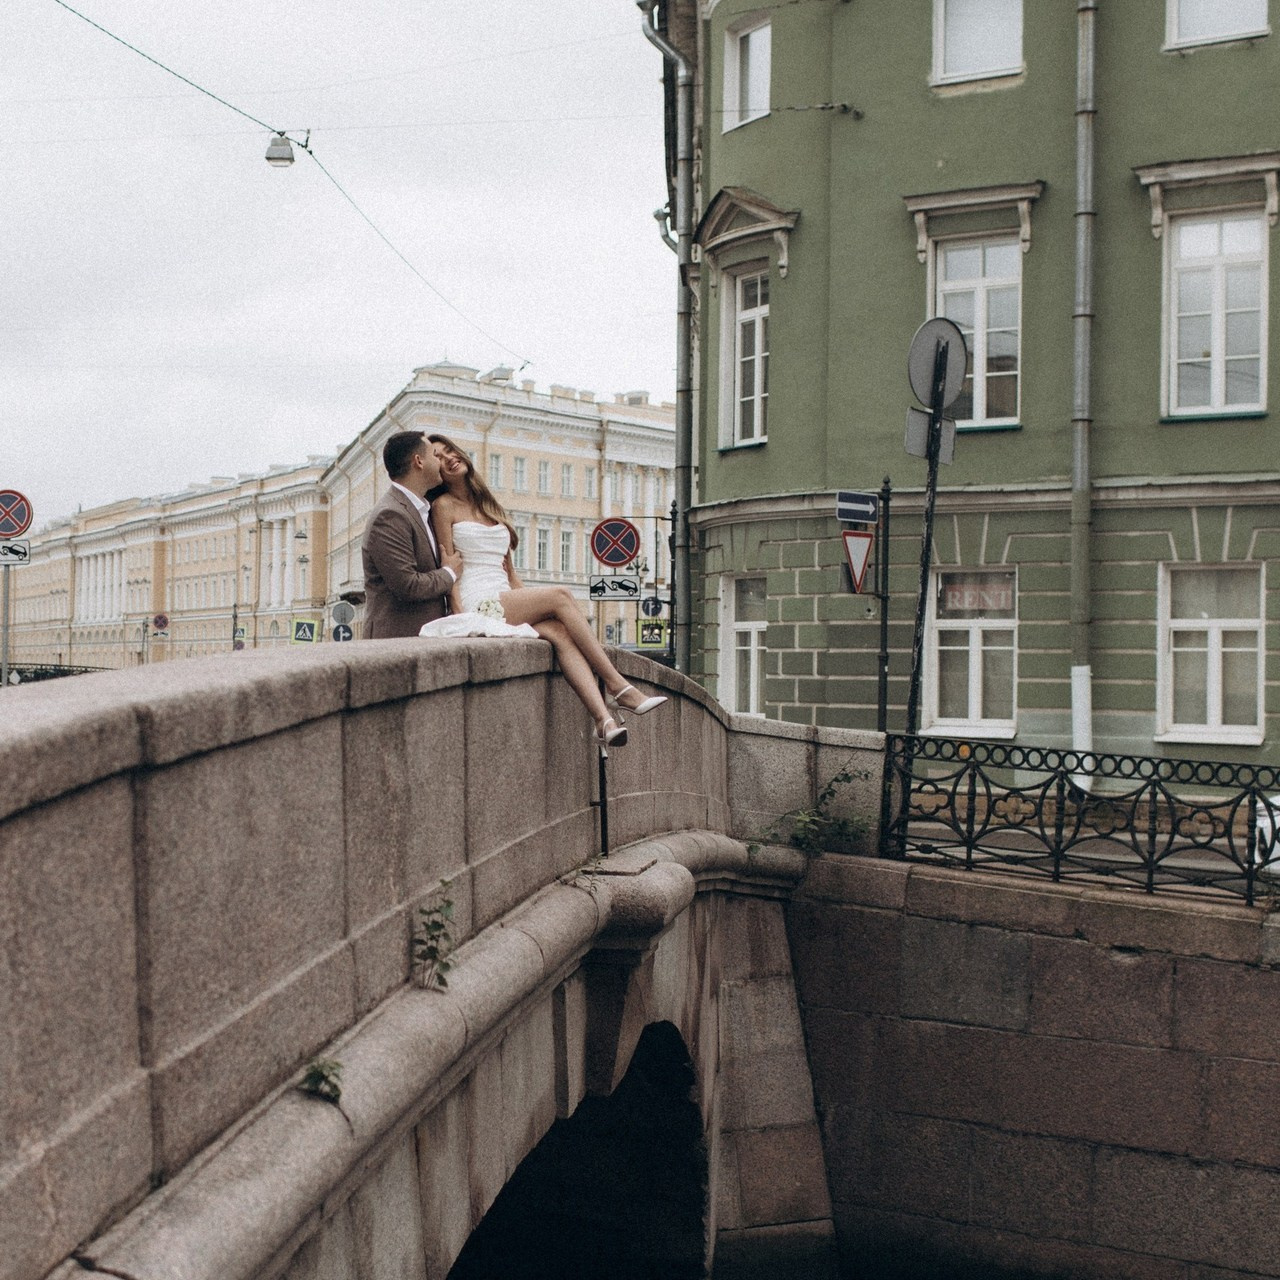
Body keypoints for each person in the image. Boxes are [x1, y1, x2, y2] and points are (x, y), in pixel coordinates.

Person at [419, 433, 667, 747]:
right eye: (438, 457)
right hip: (477, 601)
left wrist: (530, 601)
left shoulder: (488, 504)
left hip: (504, 596)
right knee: (561, 595)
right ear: (435, 470)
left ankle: (603, 721)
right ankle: (619, 687)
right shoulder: (442, 506)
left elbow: (510, 573)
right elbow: (449, 565)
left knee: (561, 633)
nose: (448, 458)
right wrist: (460, 617)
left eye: (450, 450)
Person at [361, 431, 464, 639]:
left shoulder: (420, 510)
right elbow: (408, 585)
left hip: (417, 641)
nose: (440, 463)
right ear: (419, 461)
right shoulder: (390, 515)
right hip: (394, 644)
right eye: (435, 456)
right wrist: (449, 573)